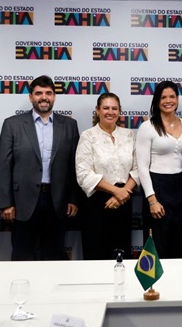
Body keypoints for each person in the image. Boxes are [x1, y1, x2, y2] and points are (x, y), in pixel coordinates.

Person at [0, 75, 80, 261]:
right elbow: (3, 166)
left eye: (48, 93)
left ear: (54, 96)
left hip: (58, 202)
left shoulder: (69, 125)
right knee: (22, 255)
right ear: (31, 97)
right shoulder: (12, 124)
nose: (44, 97)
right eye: (39, 93)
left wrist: (73, 198)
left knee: (54, 255)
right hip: (22, 202)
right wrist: (6, 203)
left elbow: (74, 165)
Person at [135, 80, 182, 258]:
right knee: (157, 244)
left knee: (181, 241)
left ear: (177, 99)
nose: (168, 101)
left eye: (172, 96)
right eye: (163, 97)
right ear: (157, 101)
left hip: (181, 188)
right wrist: (152, 200)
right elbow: (142, 166)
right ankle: (155, 278)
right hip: (157, 187)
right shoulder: (147, 127)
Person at [75, 93, 139, 260]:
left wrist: (122, 193)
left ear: (119, 111)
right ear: (97, 110)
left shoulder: (129, 135)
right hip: (96, 203)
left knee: (121, 256)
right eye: (106, 108)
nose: (110, 112)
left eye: (114, 108)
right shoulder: (88, 136)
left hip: (124, 201)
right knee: (96, 255)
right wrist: (116, 192)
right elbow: (83, 174)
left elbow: (138, 168)